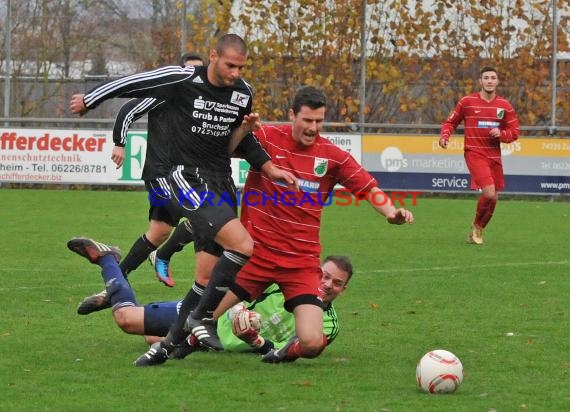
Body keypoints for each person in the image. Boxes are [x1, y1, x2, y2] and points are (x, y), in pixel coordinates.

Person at [135, 85, 414, 366]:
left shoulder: (332, 156)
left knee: (312, 342)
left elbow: (368, 187)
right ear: (292, 115)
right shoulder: (267, 137)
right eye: (307, 120)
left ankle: (280, 353)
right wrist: (244, 130)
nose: (313, 127)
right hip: (254, 256)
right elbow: (223, 152)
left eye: (319, 121)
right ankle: (166, 349)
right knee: (202, 314)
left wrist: (390, 211)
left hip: (300, 264)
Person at [70, 33, 297, 357]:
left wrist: (267, 164)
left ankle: (170, 341)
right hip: (179, 176)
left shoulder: (242, 93)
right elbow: (134, 87)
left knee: (205, 274)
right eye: (230, 65)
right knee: (226, 241)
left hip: (220, 181)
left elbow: (235, 142)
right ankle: (196, 313)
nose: (235, 73)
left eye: (240, 67)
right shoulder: (179, 80)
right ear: (212, 57)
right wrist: (91, 99)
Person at [66, 237, 351, 357]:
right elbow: (241, 287)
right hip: (207, 317)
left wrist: (258, 341)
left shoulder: (329, 326)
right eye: (324, 276)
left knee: (151, 339)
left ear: (343, 289)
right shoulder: (285, 283)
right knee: (127, 320)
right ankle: (107, 260)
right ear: (315, 271)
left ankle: (113, 292)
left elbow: (288, 351)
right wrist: (238, 309)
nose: (327, 285)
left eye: (336, 283)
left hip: (216, 345)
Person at [76, 54, 205, 316]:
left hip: (188, 174)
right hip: (160, 172)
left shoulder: (204, 103)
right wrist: (119, 143)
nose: (193, 77)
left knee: (158, 232)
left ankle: (114, 282)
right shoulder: (166, 92)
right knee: (204, 214)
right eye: (189, 70)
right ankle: (162, 255)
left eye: (199, 72)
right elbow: (128, 110)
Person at [439, 66, 519, 244]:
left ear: (497, 82)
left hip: (494, 156)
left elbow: (514, 131)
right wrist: (445, 136)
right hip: (474, 152)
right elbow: (450, 122)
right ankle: (476, 226)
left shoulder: (504, 105)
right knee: (489, 193)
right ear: (480, 81)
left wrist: (502, 134)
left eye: (493, 78)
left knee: (494, 198)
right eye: (486, 78)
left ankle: (477, 230)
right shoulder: (467, 102)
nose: (490, 81)